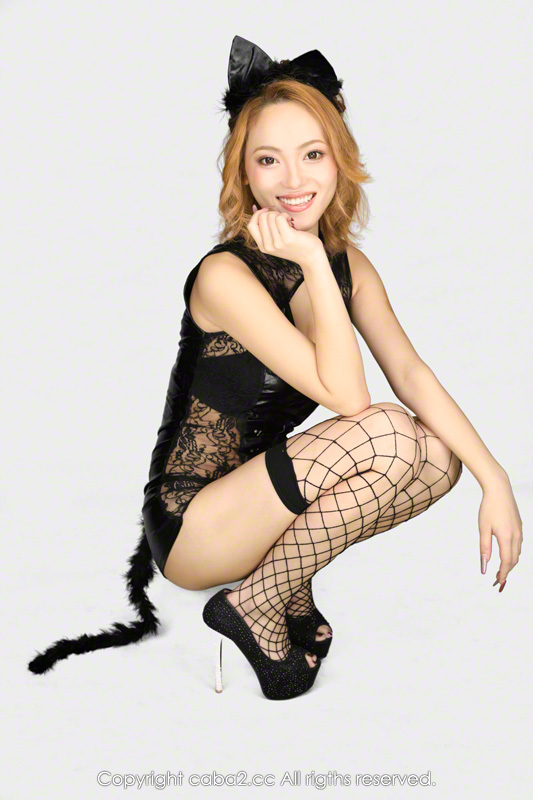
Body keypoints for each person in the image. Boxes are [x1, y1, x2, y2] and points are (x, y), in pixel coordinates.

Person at [28, 36, 523, 700]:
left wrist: (496, 481)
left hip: (265, 503)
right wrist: (312, 259)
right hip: (193, 525)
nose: (293, 180)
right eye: (268, 160)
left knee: (439, 458)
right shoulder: (225, 276)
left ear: (340, 160)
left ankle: (279, 582)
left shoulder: (351, 266)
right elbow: (350, 399)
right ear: (244, 174)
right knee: (389, 434)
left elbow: (410, 373)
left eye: (312, 155)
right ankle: (254, 604)